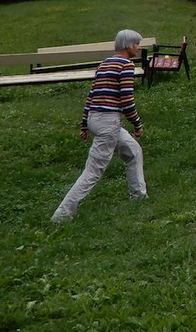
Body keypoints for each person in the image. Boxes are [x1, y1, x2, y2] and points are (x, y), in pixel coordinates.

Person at [52, 29, 147, 223]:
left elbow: (92, 95)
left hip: (95, 119)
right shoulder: (126, 65)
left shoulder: (104, 64)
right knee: (93, 171)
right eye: (137, 44)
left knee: (133, 151)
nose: (139, 47)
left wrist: (84, 124)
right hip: (108, 122)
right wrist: (137, 124)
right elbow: (126, 99)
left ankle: (139, 197)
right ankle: (62, 214)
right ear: (128, 45)